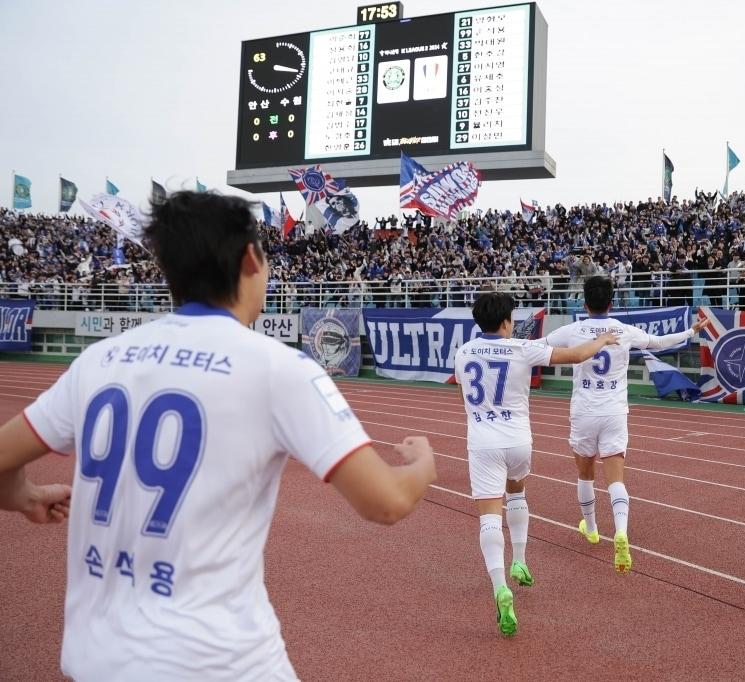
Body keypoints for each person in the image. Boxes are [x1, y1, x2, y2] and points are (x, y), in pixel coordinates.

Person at [0, 191, 437, 681]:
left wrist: (24, 495)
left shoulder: (98, 360)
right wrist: (423, 463)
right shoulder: (277, 367)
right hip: (217, 661)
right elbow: (386, 502)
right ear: (251, 258)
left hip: (96, 660)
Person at [454, 292, 618, 637]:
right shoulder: (521, 349)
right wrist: (602, 339)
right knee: (517, 493)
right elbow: (576, 355)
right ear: (504, 322)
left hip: (483, 440)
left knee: (488, 516)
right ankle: (522, 560)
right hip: (518, 441)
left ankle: (500, 586)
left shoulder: (464, 351)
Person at [543, 276, 710, 574]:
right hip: (614, 411)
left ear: (584, 303)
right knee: (615, 477)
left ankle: (592, 529)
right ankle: (620, 531)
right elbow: (659, 343)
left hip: (583, 411)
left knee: (585, 474)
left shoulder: (572, 330)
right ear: (611, 303)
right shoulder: (624, 330)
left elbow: (538, 348)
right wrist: (691, 330)